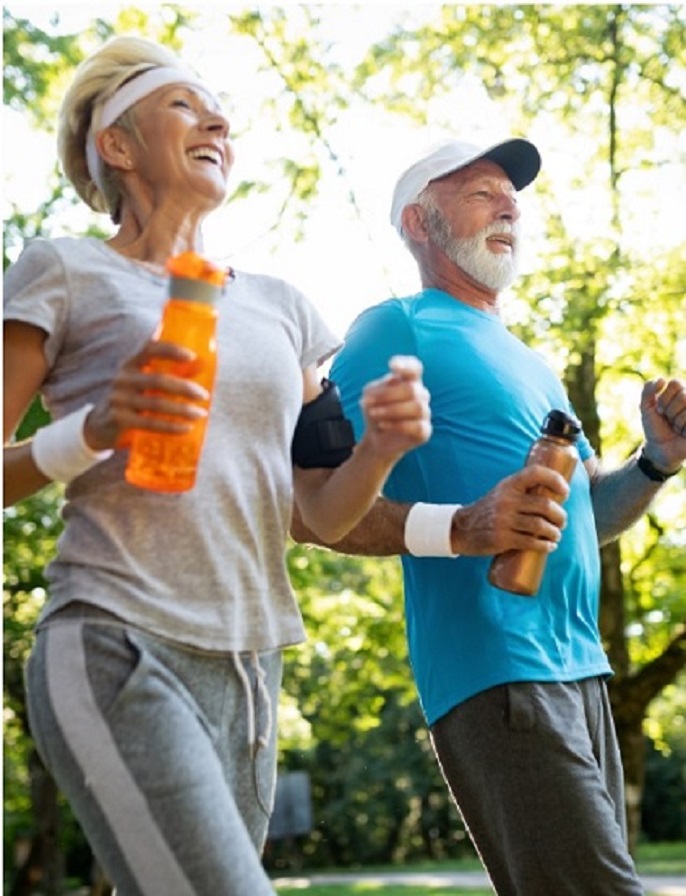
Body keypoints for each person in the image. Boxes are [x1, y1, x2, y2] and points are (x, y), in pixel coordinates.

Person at [3, 36, 432, 896]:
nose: (219, 121)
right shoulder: (64, 269)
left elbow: (317, 513)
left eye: (218, 110)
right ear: (115, 147)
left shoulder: (283, 309)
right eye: (184, 104)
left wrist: (382, 450)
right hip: (115, 639)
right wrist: (90, 431)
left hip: (248, 663)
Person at [291, 137, 686, 895]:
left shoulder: (528, 359)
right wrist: (464, 527)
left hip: (582, 670)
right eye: (480, 191)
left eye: (512, 194)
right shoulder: (394, 327)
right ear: (418, 221)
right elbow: (314, 509)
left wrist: (654, 463)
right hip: (496, 668)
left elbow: (581, 519)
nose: (508, 204)